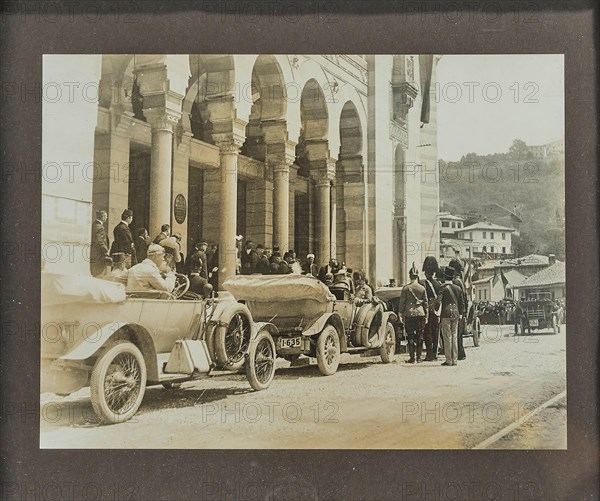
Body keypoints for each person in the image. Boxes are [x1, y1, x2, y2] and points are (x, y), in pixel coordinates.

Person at [398, 264, 428, 363]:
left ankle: (412, 358)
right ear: (417, 276)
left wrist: (400, 314)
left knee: (410, 336)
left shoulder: (406, 288)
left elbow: (402, 303)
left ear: (410, 276)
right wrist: (426, 315)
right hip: (420, 314)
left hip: (409, 314)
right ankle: (419, 358)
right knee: (420, 336)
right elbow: (425, 303)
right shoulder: (422, 288)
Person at [439, 265, 466, 366]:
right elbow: (462, 303)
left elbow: (438, 302)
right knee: (454, 336)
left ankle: (448, 360)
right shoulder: (458, 288)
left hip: (445, 314)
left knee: (447, 337)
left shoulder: (442, 288)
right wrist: (461, 314)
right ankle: (455, 360)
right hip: (456, 313)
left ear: (445, 276)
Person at [422, 256, 442, 361]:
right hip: (436, 310)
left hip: (427, 310)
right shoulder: (438, 284)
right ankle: (435, 354)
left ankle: (429, 354)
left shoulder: (424, 284)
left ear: (425, 271)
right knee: (435, 331)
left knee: (427, 332)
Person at [449, 258, 468, 360]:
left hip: (457, 309)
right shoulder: (461, 281)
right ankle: (460, 353)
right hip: (462, 309)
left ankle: (459, 354)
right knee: (458, 333)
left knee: (456, 333)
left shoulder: (455, 281)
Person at [90, 210, 109, 277]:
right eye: (106, 216)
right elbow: (100, 241)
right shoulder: (99, 227)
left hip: (94, 253)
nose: (107, 218)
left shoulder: (94, 224)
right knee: (100, 273)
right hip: (99, 254)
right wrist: (106, 250)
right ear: (103, 217)